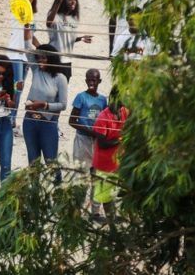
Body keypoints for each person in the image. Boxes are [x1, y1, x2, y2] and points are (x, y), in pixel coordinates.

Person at [22, 30, 68, 166]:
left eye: (44, 58)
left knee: (51, 161)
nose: (40, 60)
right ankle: (34, 187)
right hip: (29, 121)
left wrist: (44, 105)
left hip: (48, 122)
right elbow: (27, 45)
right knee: (33, 161)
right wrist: (26, 25)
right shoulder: (36, 70)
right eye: (39, 58)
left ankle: (57, 186)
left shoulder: (60, 78)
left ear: (52, 59)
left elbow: (63, 105)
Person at [6, 0, 44, 135]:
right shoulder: (18, 9)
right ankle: (9, 119)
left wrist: (42, 48)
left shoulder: (31, 15)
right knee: (17, 86)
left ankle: (12, 120)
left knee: (19, 90)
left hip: (26, 55)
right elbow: (25, 2)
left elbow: (31, 36)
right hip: (16, 53)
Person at [69, 69, 107, 215]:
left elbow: (104, 118)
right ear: (86, 81)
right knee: (81, 177)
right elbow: (72, 120)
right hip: (83, 140)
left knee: (96, 177)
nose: (91, 82)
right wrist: (91, 131)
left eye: (94, 80)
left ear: (99, 81)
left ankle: (95, 212)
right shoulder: (81, 97)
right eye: (89, 79)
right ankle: (77, 211)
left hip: (97, 142)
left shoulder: (103, 100)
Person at [92, 88, 130, 223]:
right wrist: (121, 140)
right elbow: (102, 143)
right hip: (104, 161)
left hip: (117, 160)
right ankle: (107, 217)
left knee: (113, 189)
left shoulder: (124, 111)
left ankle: (112, 216)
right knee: (104, 192)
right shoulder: (103, 117)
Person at [45, 0, 92, 81]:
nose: (73, 1)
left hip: (67, 62)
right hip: (54, 60)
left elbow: (70, 38)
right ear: (63, 0)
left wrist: (81, 39)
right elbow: (49, 23)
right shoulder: (55, 16)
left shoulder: (73, 19)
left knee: (62, 91)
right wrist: (58, 2)